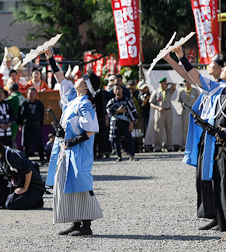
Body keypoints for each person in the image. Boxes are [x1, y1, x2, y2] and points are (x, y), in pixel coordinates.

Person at [167, 48, 226, 242]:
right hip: (219, 148)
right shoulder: (218, 90)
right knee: (222, 186)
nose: (223, 68)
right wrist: (181, 58)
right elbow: (195, 77)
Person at [44, 48, 103, 236]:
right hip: (67, 149)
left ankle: (86, 225)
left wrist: (73, 141)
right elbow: (61, 79)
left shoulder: (85, 104)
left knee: (81, 185)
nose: (77, 78)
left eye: (82, 78)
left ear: (86, 86)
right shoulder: (72, 99)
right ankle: (76, 222)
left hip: (78, 150)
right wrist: (51, 59)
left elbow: (91, 129)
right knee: (67, 184)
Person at [0, 138, 45, 210]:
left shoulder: (12, 157)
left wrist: (24, 188)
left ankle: (36, 201)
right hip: (15, 181)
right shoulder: (1, 152)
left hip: (31, 185)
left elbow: (28, 172)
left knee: (11, 204)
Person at [106, 83, 138, 161]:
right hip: (115, 122)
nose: (118, 91)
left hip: (125, 121)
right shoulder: (112, 101)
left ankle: (132, 155)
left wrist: (132, 122)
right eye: (116, 89)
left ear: (122, 90)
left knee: (129, 138)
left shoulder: (127, 100)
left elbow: (132, 111)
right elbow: (108, 110)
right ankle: (119, 156)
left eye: (119, 89)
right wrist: (117, 111)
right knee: (115, 139)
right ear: (113, 91)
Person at [18, 87, 46, 163]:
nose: (32, 95)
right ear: (27, 94)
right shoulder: (23, 104)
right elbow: (20, 115)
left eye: (33, 93)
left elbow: (42, 115)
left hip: (36, 125)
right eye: (30, 93)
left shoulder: (39, 104)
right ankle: (25, 160)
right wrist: (20, 124)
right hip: (27, 126)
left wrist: (40, 124)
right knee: (26, 144)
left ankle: (42, 159)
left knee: (39, 143)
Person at [150, 77, 176, 152]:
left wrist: (169, 84)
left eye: (165, 83)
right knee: (158, 129)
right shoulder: (156, 92)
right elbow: (151, 103)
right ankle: (158, 146)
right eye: (162, 84)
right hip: (159, 112)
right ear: (159, 84)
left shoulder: (169, 91)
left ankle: (169, 146)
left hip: (168, 111)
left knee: (169, 129)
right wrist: (158, 107)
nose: (163, 85)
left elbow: (174, 85)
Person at [178, 80, 199, 151]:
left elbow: (198, 100)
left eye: (188, 82)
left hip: (193, 110)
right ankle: (184, 145)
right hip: (185, 110)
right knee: (185, 129)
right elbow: (180, 101)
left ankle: (194, 145)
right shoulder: (181, 92)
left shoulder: (195, 91)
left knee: (194, 128)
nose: (187, 83)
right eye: (186, 82)